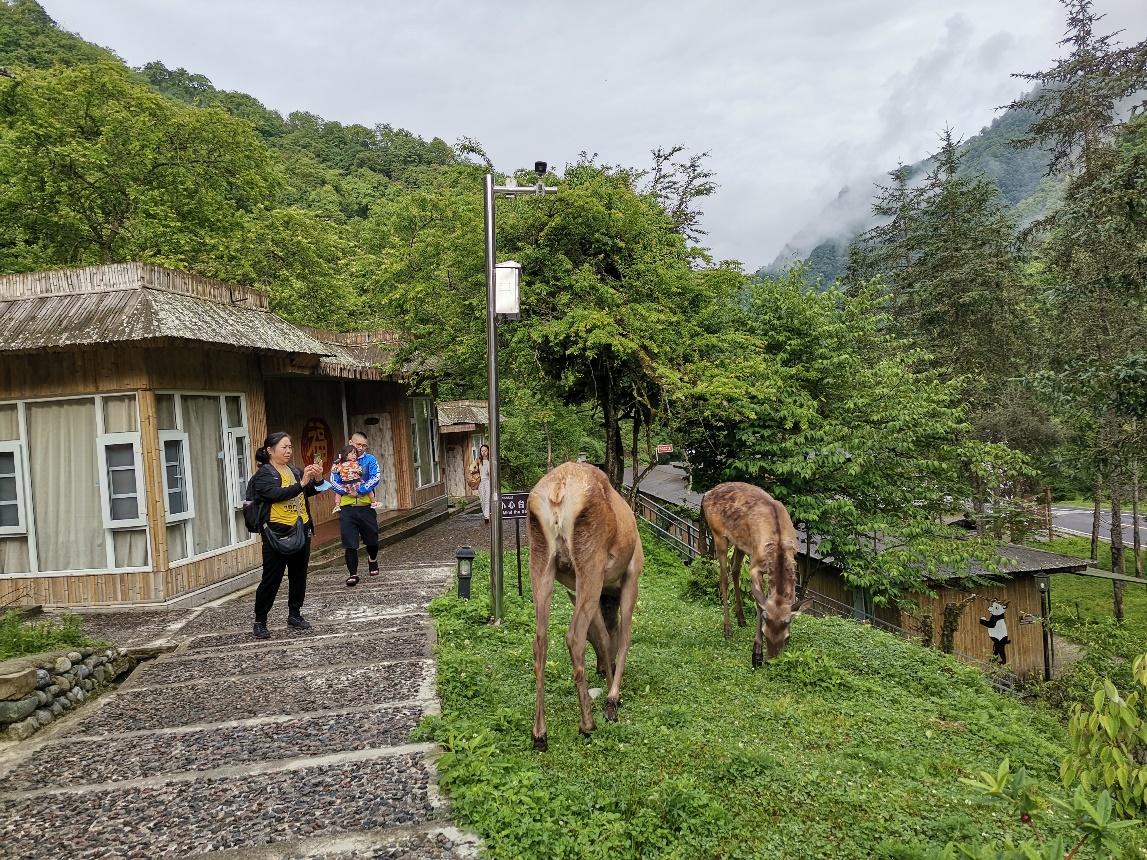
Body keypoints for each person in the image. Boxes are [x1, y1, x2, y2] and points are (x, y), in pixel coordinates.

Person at [250, 432, 323, 640]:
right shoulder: (264, 474)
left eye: (290, 447)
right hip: (277, 532)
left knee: (299, 575)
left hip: (301, 528)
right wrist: (300, 484)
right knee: (271, 578)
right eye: (284, 447)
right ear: (270, 451)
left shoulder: (294, 470)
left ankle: (295, 614)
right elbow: (274, 495)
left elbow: (311, 490)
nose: (289, 451)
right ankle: (260, 621)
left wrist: (316, 478)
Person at [329, 430, 382, 587]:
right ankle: (353, 574)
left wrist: (359, 490)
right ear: (351, 443)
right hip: (347, 508)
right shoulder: (338, 462)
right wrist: (346, 491)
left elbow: (376, 477)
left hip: (366, 505)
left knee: (372, 540)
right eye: (359, 445)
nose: (361, 448)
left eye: (364, 445)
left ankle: (372, 559)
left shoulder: (370, 460)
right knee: (349, 542)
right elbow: (333, 480)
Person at [329, 445, 378, 513]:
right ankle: (337, 505)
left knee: (369, 490)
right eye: (352, 453)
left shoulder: (355, 463)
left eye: (355, 453)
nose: (354, 455)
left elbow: (360, 472)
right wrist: (335, 464)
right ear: (345, 455)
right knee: (338, 493)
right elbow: (334, 473)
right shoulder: (342, 464)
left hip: (355, 482)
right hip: (348, 483)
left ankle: (373, 502)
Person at [471, 443, 492, 524]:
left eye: (485, 451)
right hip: (480, 482)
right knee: (482, 499)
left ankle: (487, 516)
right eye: (482, 451)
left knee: (487, 499)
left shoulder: (491, 460)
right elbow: (471, 469)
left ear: (488, 451)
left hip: (488, 481)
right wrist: (474, 470)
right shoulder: (478, 460)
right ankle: (485, 514)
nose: (484, 452)